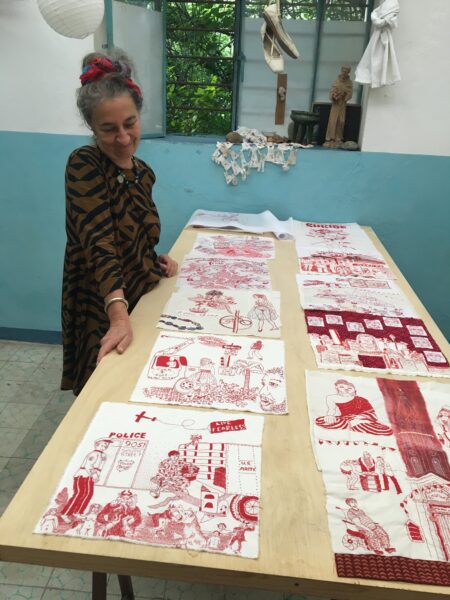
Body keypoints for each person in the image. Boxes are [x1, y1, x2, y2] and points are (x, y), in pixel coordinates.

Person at [61, 50, 178, 395]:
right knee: (102, 390)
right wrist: (117, 313)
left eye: (130, 123)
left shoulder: (143, 173)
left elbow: (137, 233)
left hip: (139, 298)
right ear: (91, 128)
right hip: (102, 301)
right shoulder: (84, 164)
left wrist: (154, 258)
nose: (124, 138)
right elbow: (100, 241)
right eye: (108, 129)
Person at [315, 379, 393, 436]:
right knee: (320, 420)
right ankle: (352, 426)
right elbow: (331, 409)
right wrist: (330, 416)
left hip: (362, 420)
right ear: (336, 388)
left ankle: (355, 426)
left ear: (354, 390)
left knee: (387, 430)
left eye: (349, 388)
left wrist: (359, 418)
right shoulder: (331, 398)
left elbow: (372, 415)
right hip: (345, 420)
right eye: (341, 387)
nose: (346, 390)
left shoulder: (361, 400)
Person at [324, 65, 353, 148]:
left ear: (348, 72)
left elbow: (350, 93)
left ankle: (338, 139)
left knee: (341, 121)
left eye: (346, 71)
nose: (344, 72)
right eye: (343, 71)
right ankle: (330, 139)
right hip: (335, 105)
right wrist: (334, 96)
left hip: (342, 105)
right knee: (332, 121)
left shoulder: (349, 83)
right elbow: (331, 92)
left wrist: (345, 96)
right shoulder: (336, 81)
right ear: (341, 70)